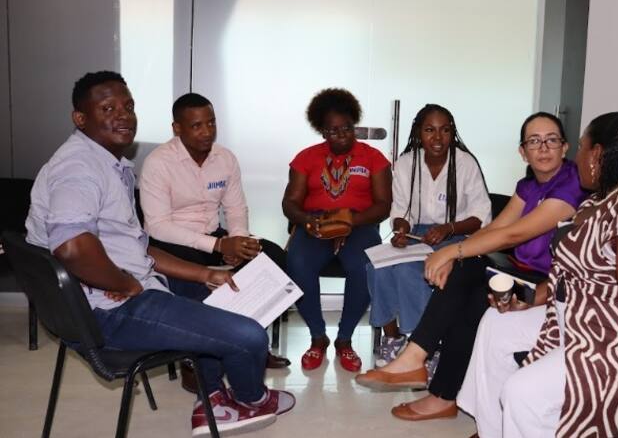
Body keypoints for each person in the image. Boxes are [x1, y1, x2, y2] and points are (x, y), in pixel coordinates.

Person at [25, 71, 295, 437]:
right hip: (111, 312)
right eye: (108, 108)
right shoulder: (79, 168)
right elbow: (72, 247)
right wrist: (123, 282)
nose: (123, 115)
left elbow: (137, 245)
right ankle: (252, 399)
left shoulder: (104, 162)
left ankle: (212, 399)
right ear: (81, 118)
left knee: (222, 301)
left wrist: (206, 274)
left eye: (128, 106)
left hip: (116, 294)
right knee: (250, 337)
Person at [356, 112, 587, 422]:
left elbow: (513, 234)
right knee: (464, 279)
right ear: (523, 151)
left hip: (548, 285)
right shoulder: (528, 186)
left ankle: (426, 374)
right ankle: (427, 376)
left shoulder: (571, 184)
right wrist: (455, 256)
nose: (543, 148)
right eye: (534, 141)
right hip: (521, 273)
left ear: (565, 147)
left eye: (551, 140)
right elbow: (495, 228)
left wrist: (452, 249)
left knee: (468, 284)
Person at [457, 112, 618, 438]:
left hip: (610, 337)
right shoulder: (593, 203)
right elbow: (568, 274)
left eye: (581, 147)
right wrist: (531, 300)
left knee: (522, 393)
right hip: (568, 317)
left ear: (596, 154)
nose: (577, 157)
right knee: (496, 322)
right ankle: (494, 430)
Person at [139, 92, 290, 375]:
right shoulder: (158, 163)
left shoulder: (225, 158)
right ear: (177, 128)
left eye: (211, 123)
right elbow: (157, 225)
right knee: (196, 280)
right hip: (171, 241)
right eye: (196, 125)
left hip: (213, 236)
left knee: (273, 257)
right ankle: (193, 360)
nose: (207, 132)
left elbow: (236, 209)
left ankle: (252, 341)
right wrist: (220, 245)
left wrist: (239, 242)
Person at [367, 104, 491, 368]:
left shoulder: (465, 163)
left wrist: (449, 228)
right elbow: (401, 210)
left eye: (445, 130)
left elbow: (481, 217)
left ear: (452, 133)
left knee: (410, 272)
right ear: (418, 133)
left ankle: (424, 347)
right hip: (418, 236)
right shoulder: (406, 163)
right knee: (377, 267)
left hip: (458, 236)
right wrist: (402, 229)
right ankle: (393, 339)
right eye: (429, 130)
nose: (438, 138)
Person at [282, 87, 392, 372]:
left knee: (365, 265)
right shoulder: (306, 158)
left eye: (347, 128)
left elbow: (383, 206)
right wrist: (307, 221)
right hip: (316, 223)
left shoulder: (374, 158)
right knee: (298, 262)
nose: (342, 135)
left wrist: (347, 223)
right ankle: (318, 337)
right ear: (322, 131)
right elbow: (290, 203)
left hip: (360, 222)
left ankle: (345, 339)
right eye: (333, 130)